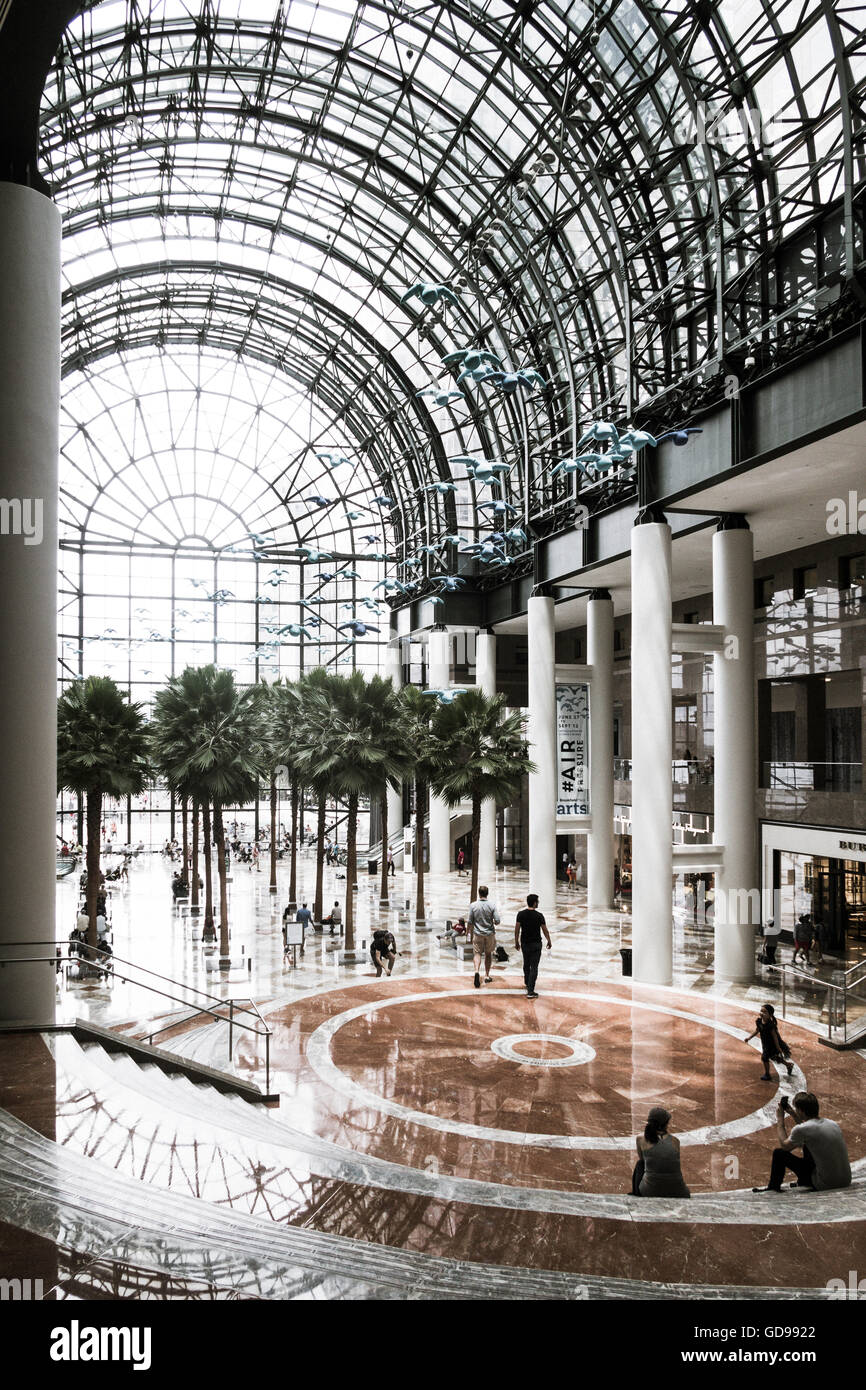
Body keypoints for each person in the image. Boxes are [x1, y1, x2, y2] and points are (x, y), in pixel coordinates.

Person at [753, 1091, 851, 1194]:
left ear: (801, 1111)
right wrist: (794, 1114)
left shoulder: (803, 1129)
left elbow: (785, 1146)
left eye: (796, 1109)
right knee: (808, 1144)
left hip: (825, 1183)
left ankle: (773, 1187)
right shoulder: (832, 1123)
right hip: (845, 1180)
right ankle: (804, 1181)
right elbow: (808, 1131)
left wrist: (780, 1119)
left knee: (779, 1153)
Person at [633, 1107, 690, 1198]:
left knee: (640, 1164)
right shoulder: (675, 1141)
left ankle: (636, 1194)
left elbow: (642, 1160)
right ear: (666, 1124)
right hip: (679, 1192)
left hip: (650, 1192)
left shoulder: (640, 1139)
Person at [744, 1003, 796, 1081]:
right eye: (761, 1011)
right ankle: (788, 1065)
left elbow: (775, 1037)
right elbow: (757, 1030)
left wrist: (778, 1048)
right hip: (765, 1044)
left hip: (772, 1045)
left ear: (770, 1015)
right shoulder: (759, 1021)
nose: (762, 1013)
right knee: (774, 1057)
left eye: (765, 1012)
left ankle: (767, 1074)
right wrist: (749, 1038)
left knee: (765, 1058)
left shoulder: (770, 1025)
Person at [514, 893, 551, 998]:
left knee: (526, 964)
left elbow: (517, 930)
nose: (538, 903)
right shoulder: (539, 916)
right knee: (534, 967)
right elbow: (545, 930)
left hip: (525, 943)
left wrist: (516, 941)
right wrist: (549, 941)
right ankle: (530, 990)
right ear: (534, 903)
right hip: (536, 944)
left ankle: (527, 982)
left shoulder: (520, 914)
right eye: (537, 902)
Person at [467, 884, 499, 988]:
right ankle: (486, 975)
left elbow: (470, 921)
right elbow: (497, 921)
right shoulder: (492, 905)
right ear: (487, 893)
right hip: (489, 934)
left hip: (477, 933)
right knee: (488, 954)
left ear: (479, 893)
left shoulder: (473, 905)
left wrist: (468, 932)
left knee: (477, 953)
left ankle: (476, 971)